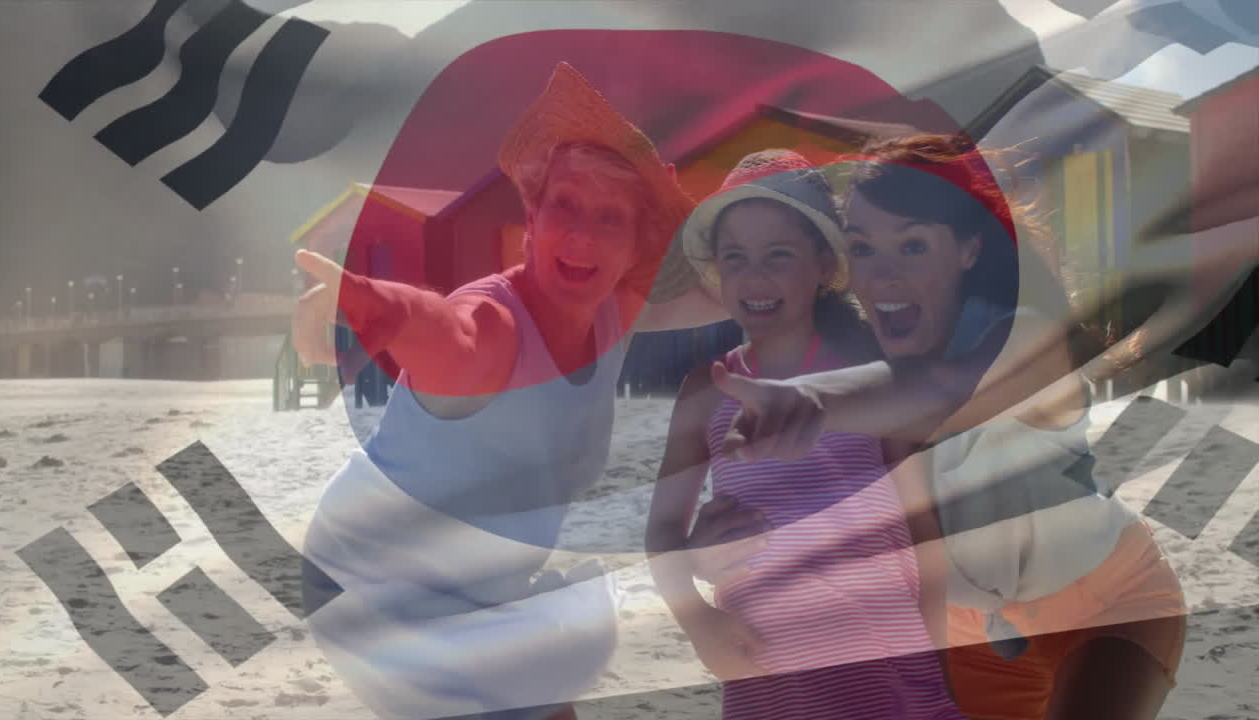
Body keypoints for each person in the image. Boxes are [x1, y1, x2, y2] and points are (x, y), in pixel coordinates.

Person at [696, 134, 1188, 720]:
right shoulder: (846, 357)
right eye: (865, 250)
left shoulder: (1025, 334)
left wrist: (811, 403)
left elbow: (933, 396)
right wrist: (714, 554)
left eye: (913, 246)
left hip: (1107, 604)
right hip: (964, 634)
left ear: (968, 249)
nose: (884, 276)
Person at [297, 62, 730, 720]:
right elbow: (447, 332)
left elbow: (715, 277)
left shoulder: (614, 308)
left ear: (635, 242)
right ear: (532, 213)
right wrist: (364, 304)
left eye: (609, 218)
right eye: (566, 205)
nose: (583, 233)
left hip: (485, 577)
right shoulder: (496, 325)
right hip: (376, 579)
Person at [645, 150, 964, 719]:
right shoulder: (705, 392)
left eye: (778, 254)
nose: (755, 276)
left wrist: (936, 666)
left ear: (822, 264)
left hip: (886, 671)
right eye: (735, 258)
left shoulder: (873, 375)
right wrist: (699, 624)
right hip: (765, 676)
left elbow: (924, 532)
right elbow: (663, 530)